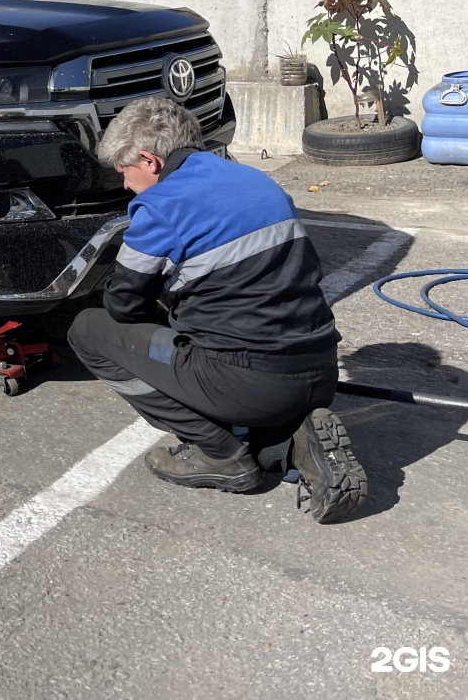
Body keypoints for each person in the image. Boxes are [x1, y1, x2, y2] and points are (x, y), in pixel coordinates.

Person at [67, 96, 367, 523]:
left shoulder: (159, 206)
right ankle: (291, 442)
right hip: (319, 371)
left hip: (244, 383)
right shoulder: (257, 181)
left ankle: (220, 454)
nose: (125, 185)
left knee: (89, 330)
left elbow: (125, 304)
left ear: (149, 160)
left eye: (124, 172)